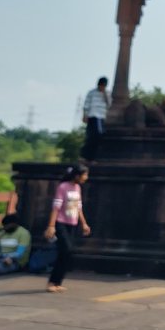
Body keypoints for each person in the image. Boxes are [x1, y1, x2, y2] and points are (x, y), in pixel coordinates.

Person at [45, 165, 90, 293]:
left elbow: (78, 207)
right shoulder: (63, 187)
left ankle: (57, 282)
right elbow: (56, 207)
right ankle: (52, 282)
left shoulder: (77, 188)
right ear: (77, 175)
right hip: (61, 223)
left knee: (66, 253)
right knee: (66, 249)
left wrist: (84, 223)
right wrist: (51, 226)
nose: (86, 178)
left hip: (72, 223)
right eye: (84, 175)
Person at [81, 77, 110, 162]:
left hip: (101, 116)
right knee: (92, 135)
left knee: (97, 135)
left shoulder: (107, 93)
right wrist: (85, 115)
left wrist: (105, 94)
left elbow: (109, 104)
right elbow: (86, 104)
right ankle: (86, 156)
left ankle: (90, 157)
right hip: (92, 115)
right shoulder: (91, 93)